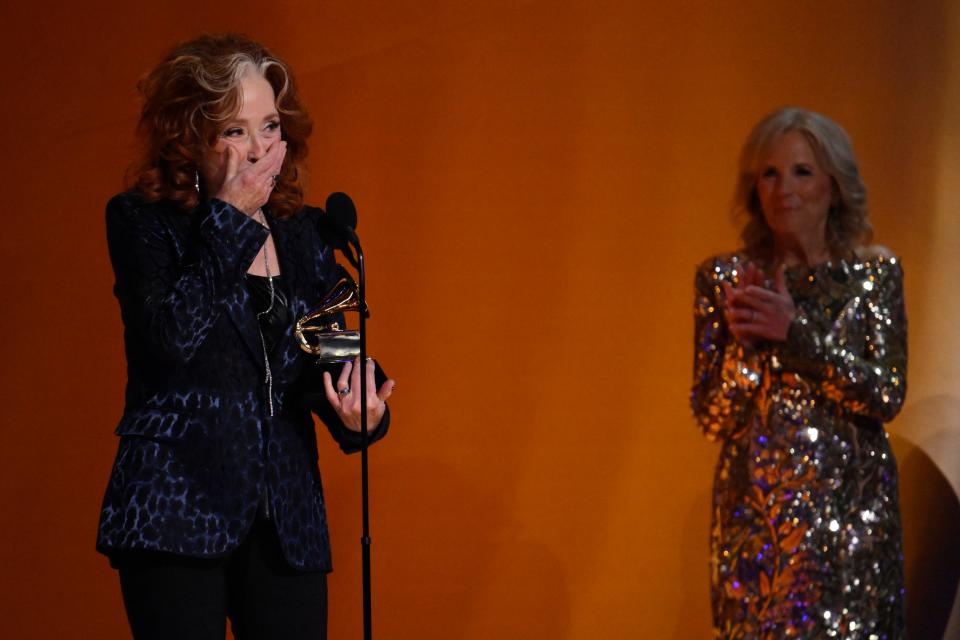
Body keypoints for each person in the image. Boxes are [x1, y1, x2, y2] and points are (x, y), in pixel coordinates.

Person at [95, 34, 395, 640]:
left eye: (268, 127)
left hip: (286, 519)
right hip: (174, 509)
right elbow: (171, 340)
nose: (259, 149)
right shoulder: (142, 223)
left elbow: (326, 362)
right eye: (233, 131)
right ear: (189, 137)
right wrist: (229, 220)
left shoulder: (307, 235)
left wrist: (359, 415)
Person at [690, 107, 907, 638]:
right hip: (758, 524)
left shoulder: (873, 275)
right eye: (769, 173)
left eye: (802, 171)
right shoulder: (726, 279)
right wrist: (746, 351)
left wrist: (798, 338)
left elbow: (886, 394)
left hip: (854, 523)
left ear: (834, 187)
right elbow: (714, 417)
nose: (783, 188)